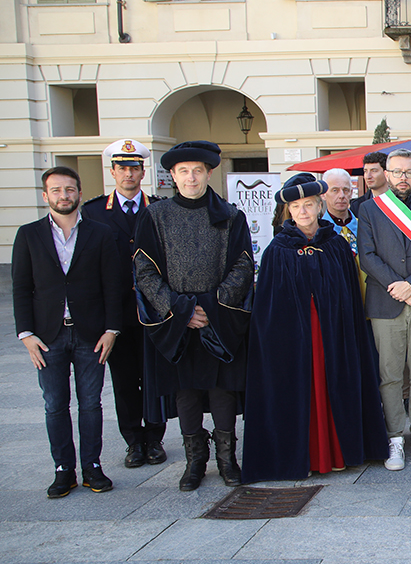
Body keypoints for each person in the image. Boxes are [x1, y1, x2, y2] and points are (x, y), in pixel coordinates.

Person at [242, 174, 387, 482]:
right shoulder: (277, 251)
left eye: (308, 204)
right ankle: (303, 455)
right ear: (288, 211)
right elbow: (267, 309)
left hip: (334, 336)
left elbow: (349, 296)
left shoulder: (335, 246)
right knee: (302, 390)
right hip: (293, 341)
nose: (303, 211)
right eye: (296, 206)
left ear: (320, 206)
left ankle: (339, 451)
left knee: (334, 383)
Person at [134, 141, 253, 491]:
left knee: (222, 391)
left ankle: (228, 460)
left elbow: (243, 265)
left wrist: (210, 308)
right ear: (172, 175)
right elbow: (144, 270)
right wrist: (181, 310)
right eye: (183, 171)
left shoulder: (231, 216)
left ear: (209, 173)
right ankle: (195, 461)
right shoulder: (156, 216)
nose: (191, 177)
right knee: (185, 392)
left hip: (219, 316)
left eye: (197, 171)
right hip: (176, 321)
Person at [13, 167, 125, 498]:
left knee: (91, 403)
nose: (64, 196)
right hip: (47, 337)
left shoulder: (100, 233)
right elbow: (21, 288)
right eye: (57, 190)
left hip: (91, 335)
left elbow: (112, 286)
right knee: (54, 404)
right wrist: (26, 334)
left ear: (79, 193)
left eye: (70, 189)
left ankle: (92, 466)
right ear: (46, 195)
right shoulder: (29, 235)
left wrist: (112, 329)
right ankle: (64, 469)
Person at [356, 148, 411, 470]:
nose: (403, 178)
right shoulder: (369, 210)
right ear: (386, 173)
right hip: (386, 302)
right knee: (390, 375)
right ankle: (394, 437)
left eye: (409, 172)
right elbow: (367, 256)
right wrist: (401, 288)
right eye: (396, 172)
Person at [81, 139, 167, 468]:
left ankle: (155, 439)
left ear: (143, 171)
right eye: (122, 168)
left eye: (134, 168)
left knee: (155, 377)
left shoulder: (159, 209)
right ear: (113, 172)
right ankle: (133, 440)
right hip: (115, 313)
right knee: (124, 380)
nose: (128, 174)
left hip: (154, 310)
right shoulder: (92, 212)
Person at [322, 168, 359, 253]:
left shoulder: (364, 227)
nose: (341, 195)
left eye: (345, 190)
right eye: (335, 190)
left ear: (351, 193)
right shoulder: (318, 232)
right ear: (323, 195)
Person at [350, 151, 389, 215]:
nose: (368, 176)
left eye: (374, 171)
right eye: (365, 171)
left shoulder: (400, 201)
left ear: (386, 173)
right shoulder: (357, 205)